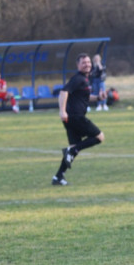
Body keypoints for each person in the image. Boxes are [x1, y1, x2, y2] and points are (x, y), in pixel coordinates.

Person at [52, 54, 104, 186]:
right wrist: (62, 110)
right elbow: (63, 92)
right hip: (75, 116)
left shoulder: (84, 80)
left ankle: (58, 177)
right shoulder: (78, 79)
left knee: (74, 146)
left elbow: (85, 96)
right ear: (78, 65)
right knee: (99, 137)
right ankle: (72, 151)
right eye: (83, 63)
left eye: (88, 62)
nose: (87, 64)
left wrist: (98, 98)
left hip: (71, 118)